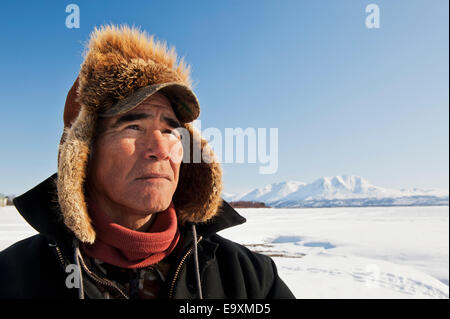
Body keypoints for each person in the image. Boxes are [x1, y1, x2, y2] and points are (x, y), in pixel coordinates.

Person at [0, 25, 295, 299]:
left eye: (170, 131)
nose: (160, 148)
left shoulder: (250, 280)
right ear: (82, 154)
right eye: (133, 127)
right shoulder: (15, 278)